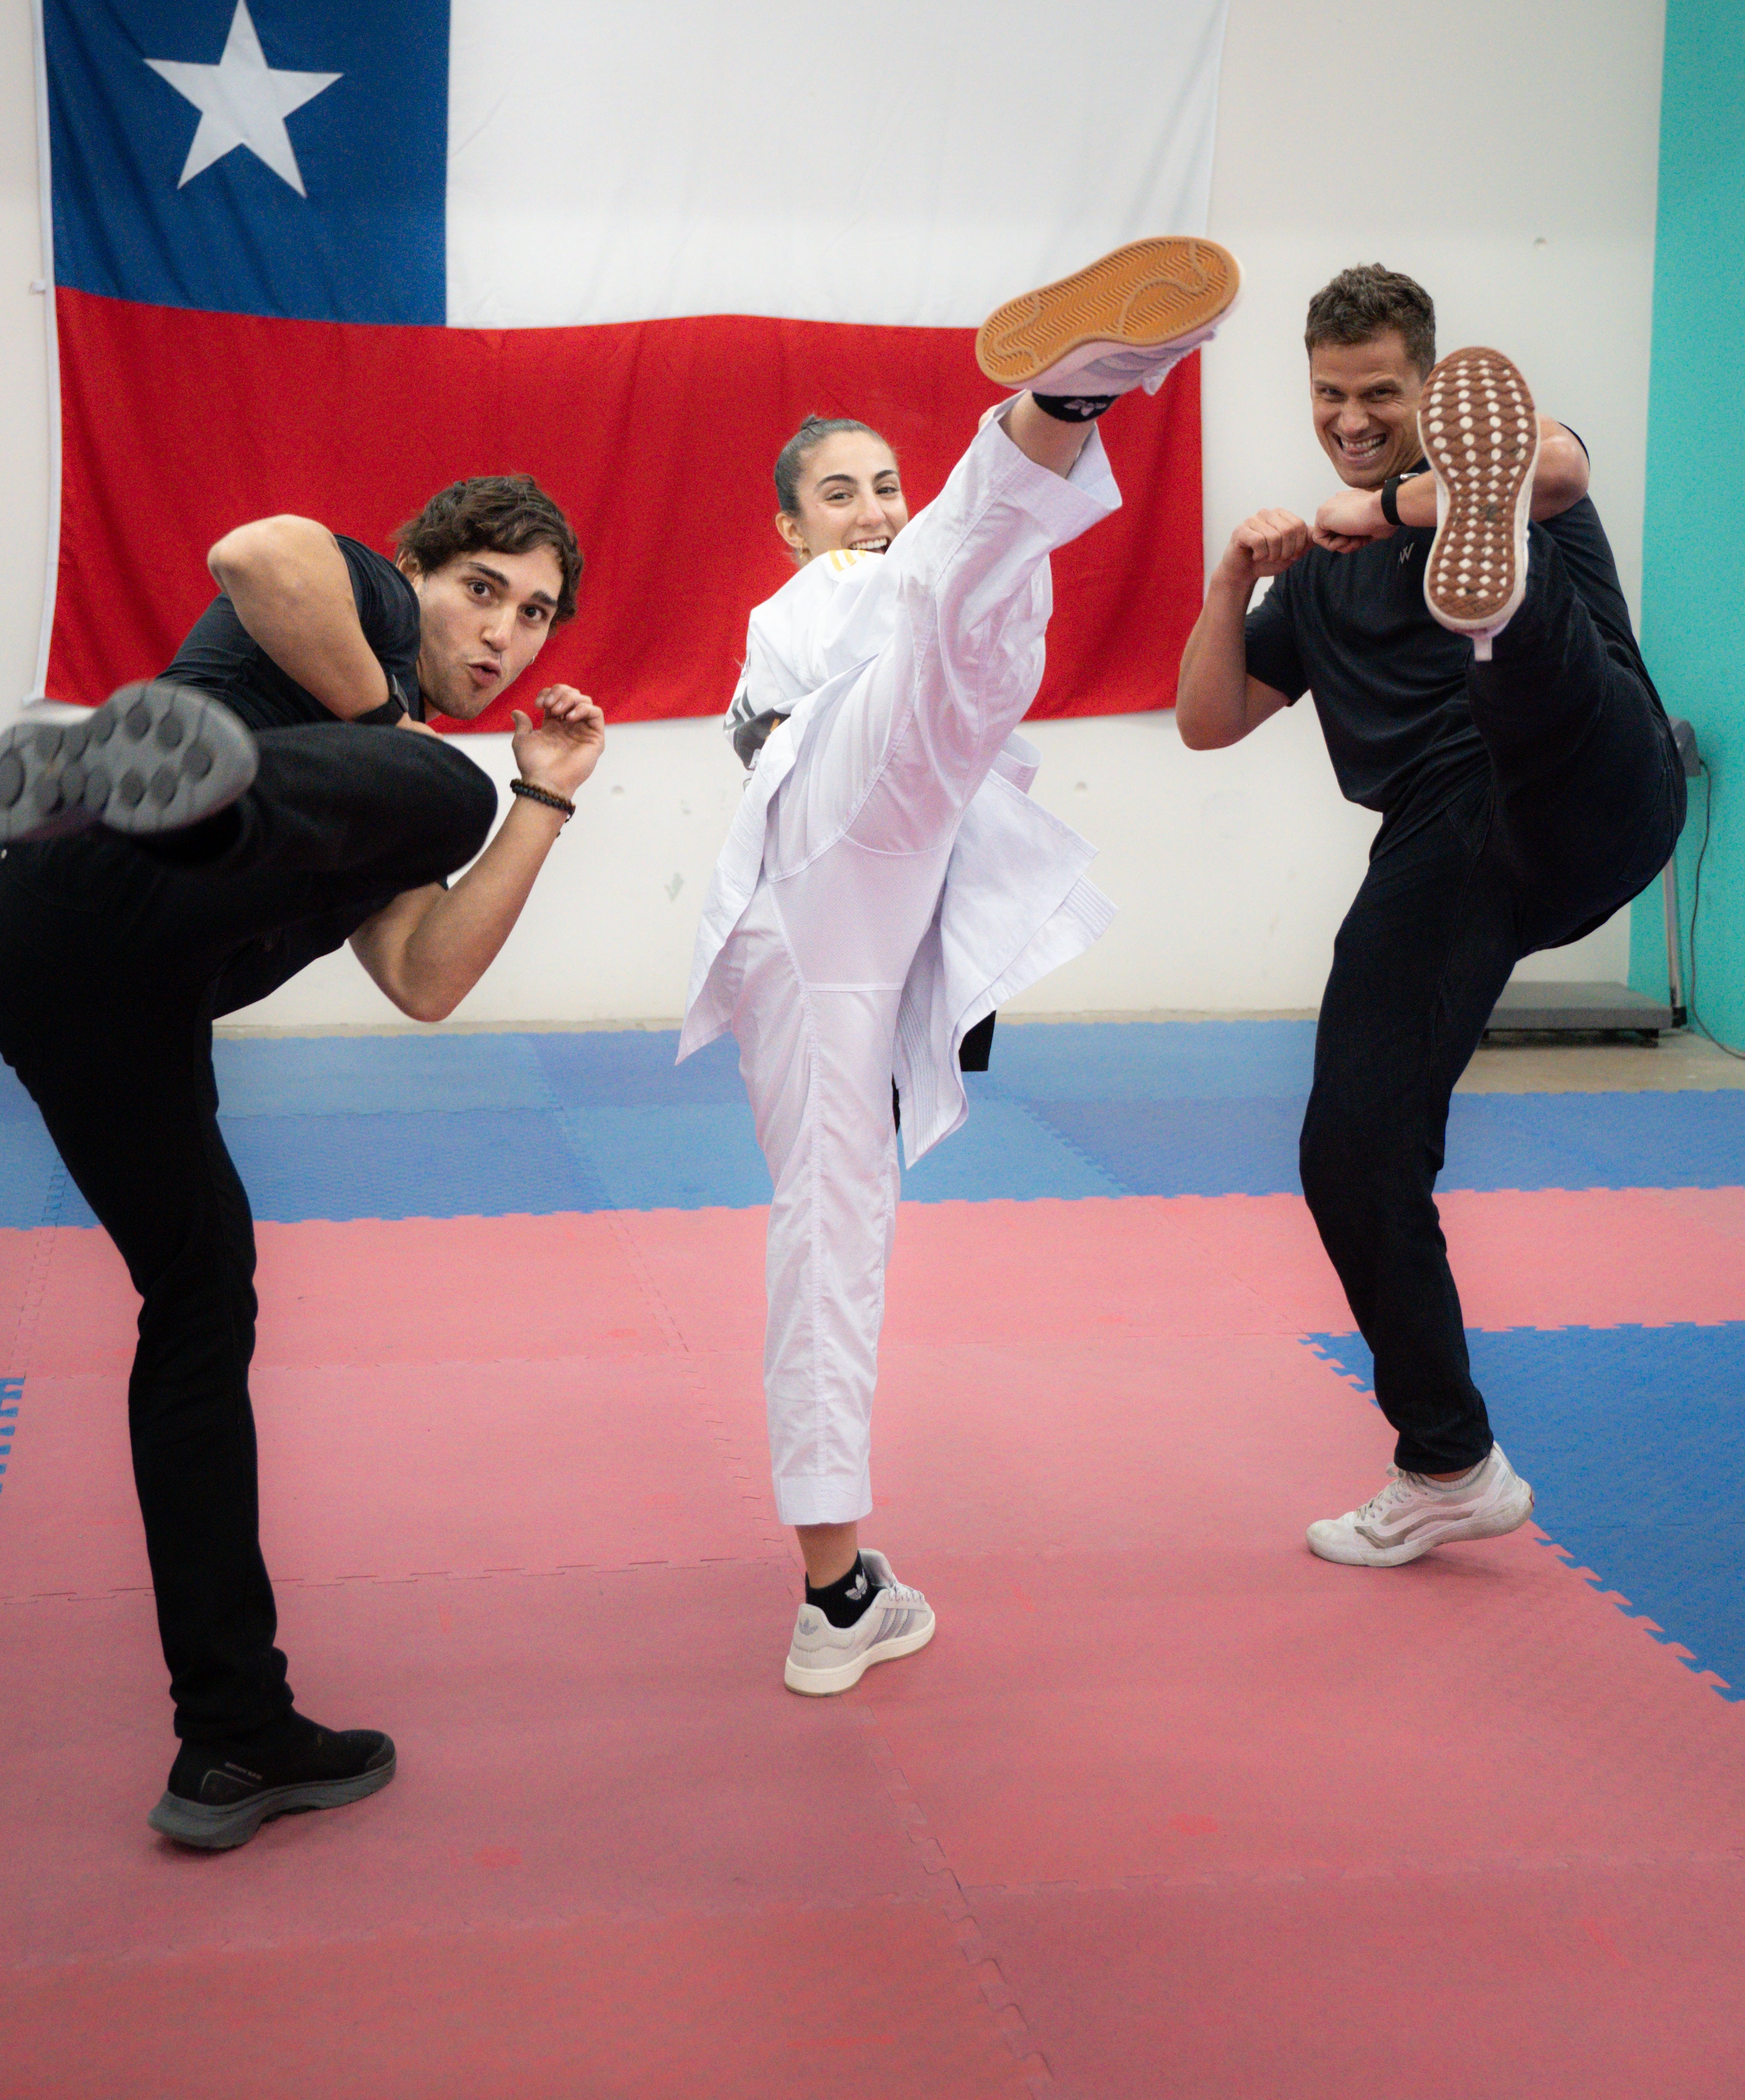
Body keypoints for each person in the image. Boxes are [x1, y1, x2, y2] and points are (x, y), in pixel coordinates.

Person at [0, 476, 605, 1847]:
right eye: (480, 589)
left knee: (203, 1305)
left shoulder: (373, 802)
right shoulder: (364, 605)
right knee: (435, 782)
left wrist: (538, 803)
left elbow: (426, 981)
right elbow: (249, 548)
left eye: (535, 615)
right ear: (418, 572)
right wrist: (396, 724)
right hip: (87, 888)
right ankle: (151, 798)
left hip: (77, 977)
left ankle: (234, 1738)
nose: (503, 635)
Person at [681, 235, 1242, 1691]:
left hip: (839, 923)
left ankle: (834, 1584)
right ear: (790, 527)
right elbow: (873, 660)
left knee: (832, 1219)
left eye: (879, 481)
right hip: (840, 819)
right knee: (953, 595)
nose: (863, 506)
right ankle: (1076, 394)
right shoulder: (803, 608)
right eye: (834, 493)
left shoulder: (869, 598)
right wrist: (959, 514)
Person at [1176, 266, 1685, 1567]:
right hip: (1456, 848)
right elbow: (1207, 721)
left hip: (1589, 775)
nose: (1351, 417)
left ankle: (1496, 603)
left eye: (1380, 394)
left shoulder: (1496, 459)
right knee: (1347, 1147)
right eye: (1330, 397)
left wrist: (1397, 504)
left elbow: (1557, 471)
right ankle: (1446, 1461)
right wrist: (1237, 571)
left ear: (1428, 388)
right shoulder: (1322, 578)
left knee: (1524, 662)